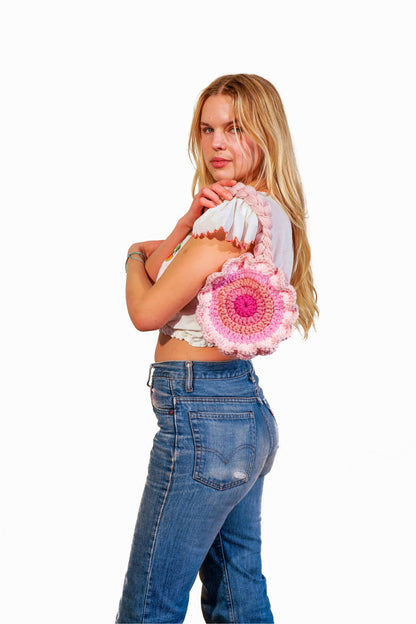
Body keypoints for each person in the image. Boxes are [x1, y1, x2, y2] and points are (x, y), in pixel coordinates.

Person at [116, 74, 318, 624]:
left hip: (202, 417)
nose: (216, 143)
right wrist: (185, 222)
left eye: (234, 128)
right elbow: (170, 273)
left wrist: (132, 256)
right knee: (237, 595)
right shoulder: (272, 212)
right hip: (242, 413)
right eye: (207, 129)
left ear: (266, 134)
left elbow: (146, 308)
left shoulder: (232, 217)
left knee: (149, 603)